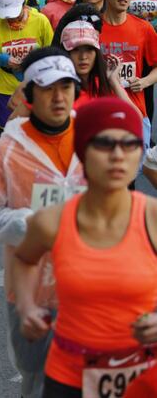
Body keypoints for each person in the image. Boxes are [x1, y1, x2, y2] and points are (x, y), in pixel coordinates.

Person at [13, 97, 157, 398]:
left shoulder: (153, 218)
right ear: (83, 151)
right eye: (104, 144)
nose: (118, 155)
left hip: (145, 378)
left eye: (129, 144)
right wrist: (26, 306)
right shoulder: (51, 221)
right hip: (70, 377)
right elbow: (24, 259)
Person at [0, 46, 85, 398]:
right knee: (36, 379)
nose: (59, 97)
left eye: (66, 87)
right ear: (30, 94)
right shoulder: (7, 150)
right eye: (48, 88)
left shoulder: (92, 139)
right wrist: (32, 224)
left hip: (87, 285)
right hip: (31, 291)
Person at [99, 0, 157, 146]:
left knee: (133, 173)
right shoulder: (92, 28)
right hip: (100, 112)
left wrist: (146, 81)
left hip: (136, 112)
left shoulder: (144, 28)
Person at [0, 0, 53, 132]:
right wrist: (2, 60)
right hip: (4, 88)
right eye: (7, 14)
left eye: (14, 12)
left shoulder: (41, 21)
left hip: (35, 86)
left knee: (35, 131)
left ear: (24, 4)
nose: (11, 17)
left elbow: (52, 52)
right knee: (7, 131)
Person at [52, 5, 136, 110]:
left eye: (89, 49)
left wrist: (114, 82)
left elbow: (136, 119)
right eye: (75, 49)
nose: (83, 57)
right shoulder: (56, 91)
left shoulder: (104, 84)